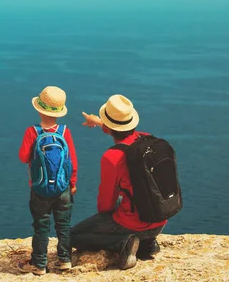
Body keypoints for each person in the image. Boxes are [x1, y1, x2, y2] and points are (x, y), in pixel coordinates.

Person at [71, 94, 165, 270]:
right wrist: (99, 122)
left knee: (73, 235)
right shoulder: (148, 140)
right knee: (129, 200)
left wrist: (106, 217)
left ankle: (123, 244)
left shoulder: (112, 157)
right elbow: (125, 134)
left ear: (107, 128)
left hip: (134, 224)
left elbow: (106, 205)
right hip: (159, 219)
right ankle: (147, 245)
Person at [17, 86, 78, 276]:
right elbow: (72, 160)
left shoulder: (32, 132)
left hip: (39, 189)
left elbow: (22, 156)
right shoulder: (64, 131)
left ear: (38, 108)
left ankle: (40, 264)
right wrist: (72, 182)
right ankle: (65, 260)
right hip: (63, 189)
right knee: (64, 225)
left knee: (41, 227)